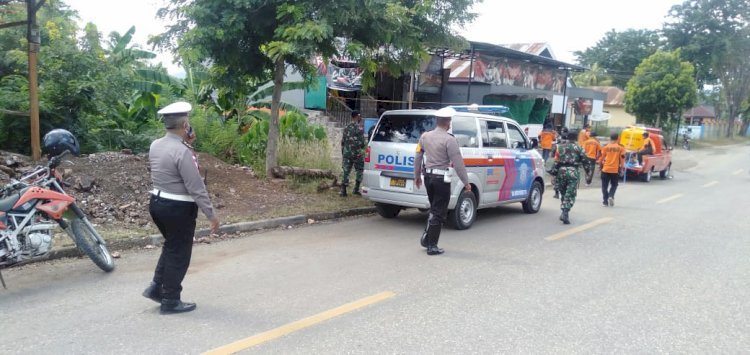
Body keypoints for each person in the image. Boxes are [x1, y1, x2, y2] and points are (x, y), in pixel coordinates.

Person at [142, 101, 220, 315]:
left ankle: (157, 287)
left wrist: (187, 145)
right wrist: (211, 215)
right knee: (180, 253)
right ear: (185, 124)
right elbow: (196, 187)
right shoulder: (183, 151)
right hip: (178, 208)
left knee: (171, 247)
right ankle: (170, 300)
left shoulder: (155, 145)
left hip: (157, 203)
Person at [414, 107, 470, 255]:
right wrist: (466, 182)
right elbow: (458, 163)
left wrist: (416, 176)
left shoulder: (425, 136)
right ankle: (432, 245)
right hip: (441, 180)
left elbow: (418, 156)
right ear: (448, 122)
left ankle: (427, 238)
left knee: (434, 208)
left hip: (428, 178)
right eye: (450, 121)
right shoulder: (449, 139)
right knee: (439, 211)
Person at [554, 130, 588, 224]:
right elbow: (586, 161)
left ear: (567, 137)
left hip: (561, 172)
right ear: (576, 138)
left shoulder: (560, 148)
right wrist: (588, 173)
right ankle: (565, 212)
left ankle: (564, 212)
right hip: (573, 172)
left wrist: (554, 174)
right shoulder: (579, 148)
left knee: (564, 193)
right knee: (570, 193)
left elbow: (556, 161)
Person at [340, 110, 366, 197]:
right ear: (357, 116)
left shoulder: (346, 127)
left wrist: (343, 152)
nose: (361, 117)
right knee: (359, 170)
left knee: (346, 171)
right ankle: (356, 189)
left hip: (347, 153)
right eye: (360, 116)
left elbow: (343, 141)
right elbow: (362, 143)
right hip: (357, 154)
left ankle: (343, 191)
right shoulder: (360, 128)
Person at [600, 132, 626, 207]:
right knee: (614, 185)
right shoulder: (621, 148)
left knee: (604, 186)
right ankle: (611, 196)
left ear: (610, 138)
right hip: (614, 170)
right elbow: (622, 159)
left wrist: (600, 165)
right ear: (618, 138)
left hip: (605, 169)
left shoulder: (606, 147)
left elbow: (601, 157)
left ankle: (605, 202)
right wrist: (622, 168)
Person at [551, 127, 569, 199]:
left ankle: (556, 193)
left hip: (558, 163)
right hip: (568, 163)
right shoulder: (570, 143)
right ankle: (566, 193)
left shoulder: (558, 143)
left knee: (556, 178)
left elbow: (553, 153)